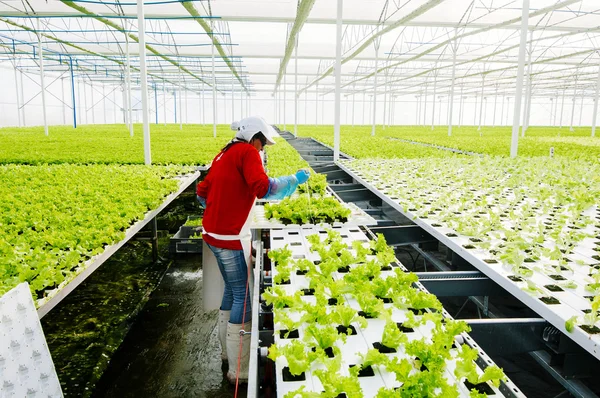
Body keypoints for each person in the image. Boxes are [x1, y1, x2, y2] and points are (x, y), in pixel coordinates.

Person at [196, 116, 309, 384]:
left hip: (212, 233)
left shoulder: (223, 154)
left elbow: (202, 193)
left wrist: (221, 207)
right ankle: (239, 372)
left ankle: (226, 356)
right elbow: (263, 188)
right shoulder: (248, 152)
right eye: (263, 144)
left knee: (232, 290)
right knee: (242, 296)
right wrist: (294, 180)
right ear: (254, 137)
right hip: (229, 236)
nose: (262, 150)